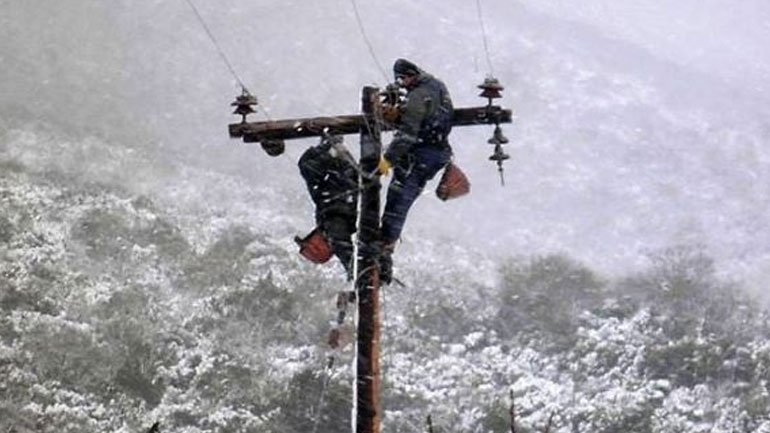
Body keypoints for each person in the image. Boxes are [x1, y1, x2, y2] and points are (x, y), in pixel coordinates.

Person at [377, 58, 454, 284]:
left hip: (421, 154)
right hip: (438, 153)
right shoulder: (437, 86)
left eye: (402, 79)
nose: (401, 84)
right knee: (405, 197)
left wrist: (388, 160)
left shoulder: (417, 97)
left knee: (398, 198)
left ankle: (384, 248)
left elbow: (407, 135)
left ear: (410, 75)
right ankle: (385, 247)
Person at [297, 135, 359, 278]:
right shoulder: (334, 228)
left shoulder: (329, 226)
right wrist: (354, 273)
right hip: (338, 182)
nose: (310, 237)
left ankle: (328, 144)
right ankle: (329, 144)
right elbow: (345, 251)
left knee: (307, 166)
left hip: (335, 184)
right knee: (306, 166)